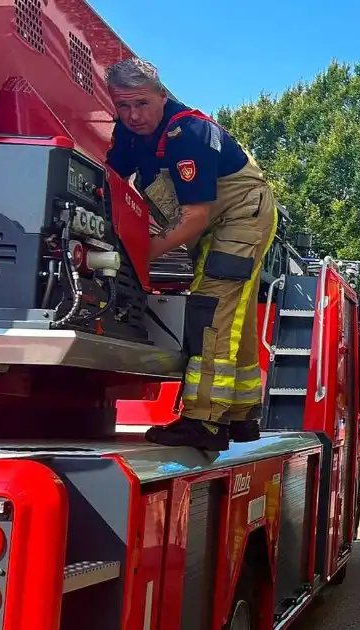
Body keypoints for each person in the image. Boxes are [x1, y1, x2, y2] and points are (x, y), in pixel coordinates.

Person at [104, 58, 277, 451]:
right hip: (221, 222)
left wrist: (139, 255)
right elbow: (112, 179)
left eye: (142, 103)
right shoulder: (131, 133)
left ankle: (204, 421)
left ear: (162, 96)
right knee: (235, 316)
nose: (133, 115)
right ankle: (240, 415)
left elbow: (195, 216)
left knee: (210, 310)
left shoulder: (190, 135)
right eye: (123, 105)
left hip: (240, 218)